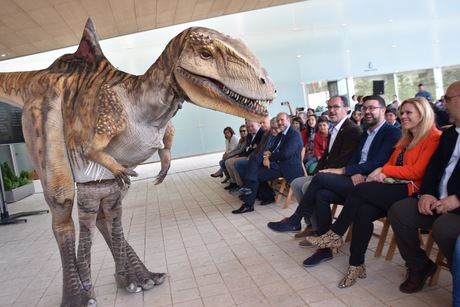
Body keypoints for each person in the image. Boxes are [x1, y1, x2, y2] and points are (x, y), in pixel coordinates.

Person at [303, 97, 441, 288]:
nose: (403, 116)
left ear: (423, 113)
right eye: (402, 113)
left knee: (360, 191)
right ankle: (356, 264)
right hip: (394, 186)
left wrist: (383, 171)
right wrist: (383, 171)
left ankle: (335, 234)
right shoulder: (406, 137)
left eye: (409, 112)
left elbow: (417, 172)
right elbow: (391, 163)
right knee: (363, 211)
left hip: (412, 190)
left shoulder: (433, 136)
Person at [288, 95, 401, 267]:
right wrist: (352, 171)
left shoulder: (392, 132)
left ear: (383, 110)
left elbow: (378, 162)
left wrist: (345, 171)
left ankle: (297, 219)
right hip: (356, 179)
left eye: (372, 108)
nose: (367, 112)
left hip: (372, 185)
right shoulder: (366, 131)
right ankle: (325, 248)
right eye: (365, 108)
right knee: (321, 194)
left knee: (320, 178)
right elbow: (354, 157)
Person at [387, 80, 460, 294]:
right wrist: (426, 193)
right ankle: (419, 265)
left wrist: (457, 198)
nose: (443, 104)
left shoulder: (438, 134)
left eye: (447, 99)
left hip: (456, 206)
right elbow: (433, 169)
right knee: (399, 211)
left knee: (443, 227)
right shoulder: (449, 134)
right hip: (436, 201)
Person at [267, 95, 362, 234]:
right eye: (329, 107)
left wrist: (323, 173)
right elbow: (325, 157)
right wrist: (316, 172)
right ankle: (311, 224)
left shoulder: (352, 130)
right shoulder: (334, 128)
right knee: (296, 183)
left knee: (307, 186)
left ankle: (313, 228)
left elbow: (344, 159)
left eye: (336, 107)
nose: (331, 110)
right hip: (329, 173)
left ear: (346, 109)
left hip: (344, 175)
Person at [232, 112, 303, 214]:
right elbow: (273, 148)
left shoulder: (293, 134)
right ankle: (254, 197)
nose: (279, 122)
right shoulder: (283, 133)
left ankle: (252, 199)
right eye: (278, 120)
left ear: (289, 120)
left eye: (282, 120)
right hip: (277, 162)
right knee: (254, 160)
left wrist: (269, 157)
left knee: (254, 173)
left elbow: (285, 154)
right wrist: (267, 155)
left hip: (287, 166)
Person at [225, 120, 264, 190]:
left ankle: (241, 184)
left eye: (252, 126)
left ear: (258, 124)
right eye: (248, 127)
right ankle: (235, 182)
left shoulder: (261, 133)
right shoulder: (248, 136)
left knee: (234, 163)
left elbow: (257, 148)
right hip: (246, 155)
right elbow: (247, 147)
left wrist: (250, 151)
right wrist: (230, 154)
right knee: (227, 162)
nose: (250, 128)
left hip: (251, 156)